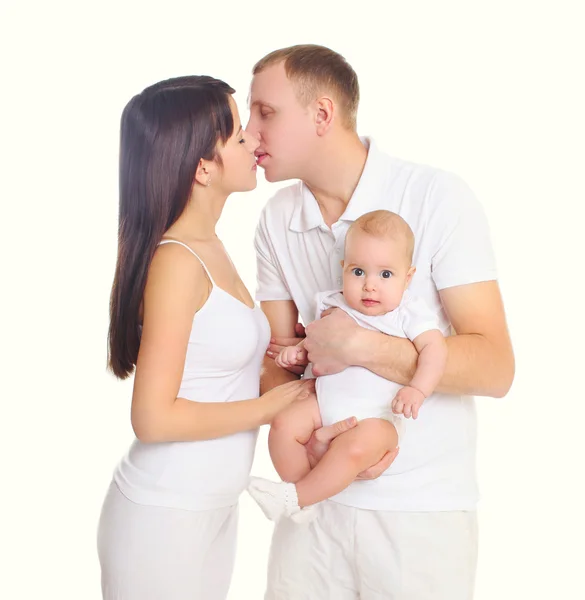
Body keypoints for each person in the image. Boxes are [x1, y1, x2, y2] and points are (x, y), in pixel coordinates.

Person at [246, 44, 515, 599]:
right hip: (311, 509)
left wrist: (363, 347)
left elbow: (496, 366)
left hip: (418, 516)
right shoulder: (275, 220)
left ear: (322, 115)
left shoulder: (436, 197)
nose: (249, 133)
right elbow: (276, 358)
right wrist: (312, 443)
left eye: (264, 113)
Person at [96, 75, 315, 600]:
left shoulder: (210, 245)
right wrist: (268, 408)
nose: (255, 142)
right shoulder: (177, 261)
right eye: (239, 136)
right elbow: (152, 418)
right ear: (202, 168)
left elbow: (224, 374)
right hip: (164, 514)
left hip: (212, 504)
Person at [248, 210, 447, 521]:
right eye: (358, 272)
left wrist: (418, 389)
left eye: (385, 275)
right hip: (322, 406)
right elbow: (318, 341)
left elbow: (435, 349)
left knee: (354, 449)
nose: (369, 286)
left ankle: (294, 498)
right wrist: (299, 352)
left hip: (377, 419)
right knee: (284, 425)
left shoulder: (408, 313)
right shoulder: (334, 303)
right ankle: (304, 498)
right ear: (343, 269)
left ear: (407, 277)